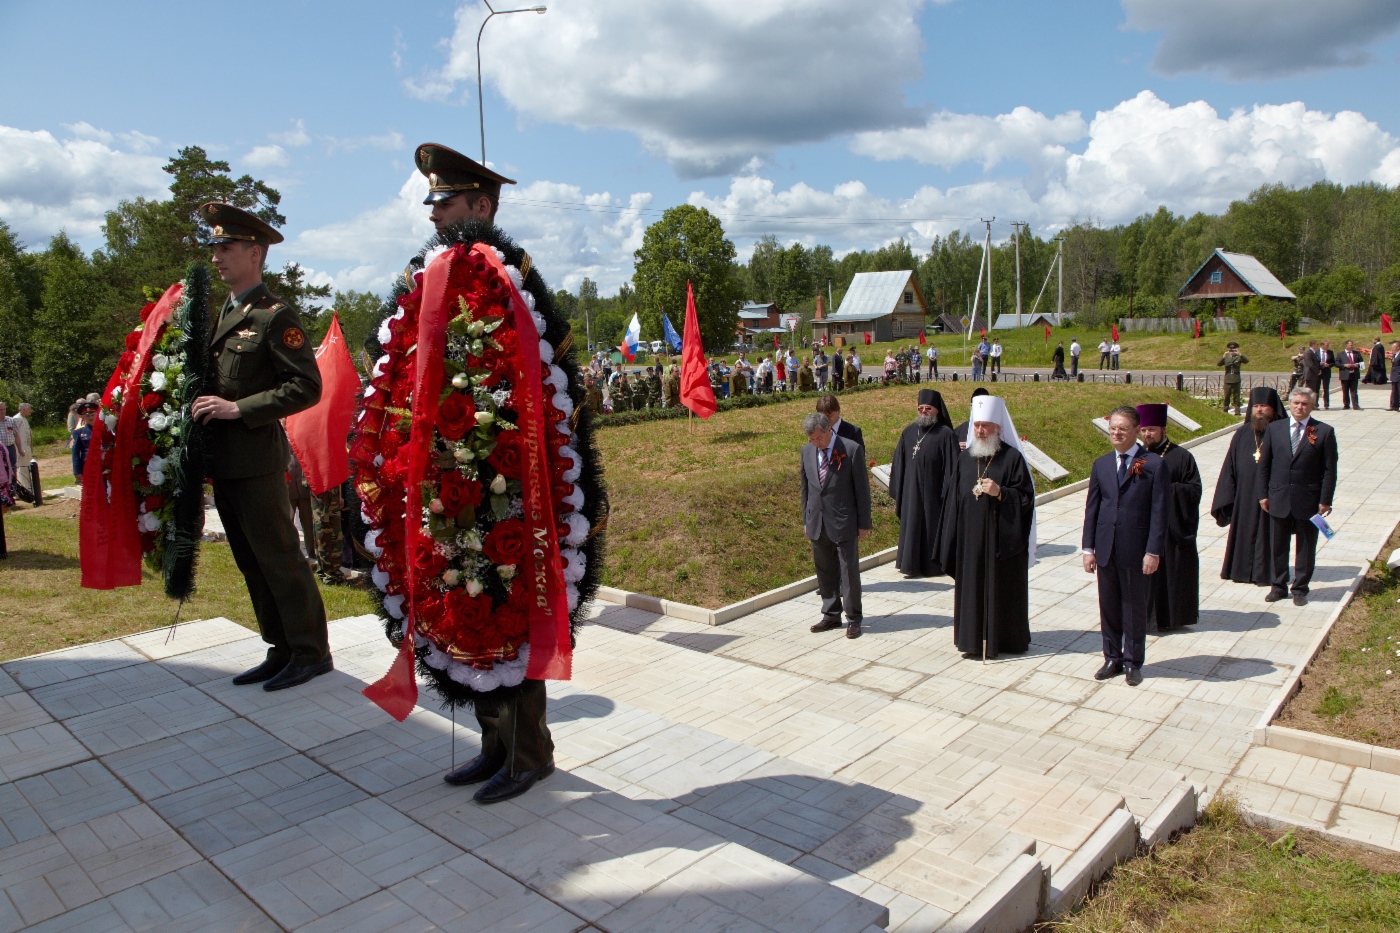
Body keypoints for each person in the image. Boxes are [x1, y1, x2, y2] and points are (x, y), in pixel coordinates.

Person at [191, 201, 331, 693]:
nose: (216, 257)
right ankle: (282, 648)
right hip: (226, 462)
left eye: (226, 247)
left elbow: (306, 387)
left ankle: (312, 652)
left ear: (255, 252)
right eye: (214, 247)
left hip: (257, 462)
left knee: (280, 558)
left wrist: (239, 409)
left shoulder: (274, 317)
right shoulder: (227, 313)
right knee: (251, 561)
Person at [939, 395, 1036, 659]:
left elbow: (1026, 498)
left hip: (1000, 542)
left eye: (986, 426)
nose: (980, 431)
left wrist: (1002, 493)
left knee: (1000, 590)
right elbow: (952, 501)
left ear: (998, 428)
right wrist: (952, 538)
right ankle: (971, 641)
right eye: (977, 425)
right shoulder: (966, 459)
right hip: (970, 541)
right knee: (971, 590)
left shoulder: (1013, 458)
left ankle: (1003, 639)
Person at [1082, 406, 1169, 687]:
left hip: (1136, 548)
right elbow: (1092, 509)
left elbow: (1159, 511)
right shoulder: (1102, 464)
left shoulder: (1153, 464)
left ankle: (1133, 662)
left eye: (1123, 429)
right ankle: (1112, 657)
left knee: (1133, 607)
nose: (1116, 433)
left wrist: (1153, 551)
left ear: (1135, 431)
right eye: (1113, 429)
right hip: (1106, 548)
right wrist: (1088, 549)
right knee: (1108, 606)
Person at [1258, 387, 1338, 607]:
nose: (1300, 407)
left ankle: (1300, 588)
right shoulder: (1274, 429)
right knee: (1278, 545)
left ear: (1311, 406)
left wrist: (1325, 500)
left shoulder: (1324, 431)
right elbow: (1264, 464)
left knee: (1306, 546)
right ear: (1290, 404)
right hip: (1279, 496)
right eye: (1296, 403)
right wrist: (1263, 494)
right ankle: (1278, 586)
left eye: (1304, 403)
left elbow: (1329, 470)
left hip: (1308, 498)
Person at [801, 411, 871, 639]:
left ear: (829, 430)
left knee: (848, 571)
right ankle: (831, 613)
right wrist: (806, 519)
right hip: (817, 522)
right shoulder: (806, 452)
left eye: (819, 438)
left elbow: (861, 489)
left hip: (843, 520)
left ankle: (854, 618)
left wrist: (863, 523)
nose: (816, 443)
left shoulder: (850, 450)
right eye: (812, 439)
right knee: (825, 570)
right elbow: (806, 490)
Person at [1211, 387, 1285, 587]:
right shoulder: (1242, 433)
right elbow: (1230, 466)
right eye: (1256, 406)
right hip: (1244, 495)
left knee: (1267, 535)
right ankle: (1239, 570)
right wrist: (1226, 495)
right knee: (1243, 531)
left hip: (1270, 495)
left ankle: (1265, 573)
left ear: (1273, 409)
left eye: (1264, 406)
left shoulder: (1281, 431)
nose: (1259, 410)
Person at [1136, 404, 1201, 631]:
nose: (1147, 434)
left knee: (1171, 575)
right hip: (1143, 528)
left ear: (1163, 429)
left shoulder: (1182, 457)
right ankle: (1145, 619)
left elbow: (1194, 491)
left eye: (1152, 429)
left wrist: (1167, 491)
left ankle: (1171, 619)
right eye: (1143, 430)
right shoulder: (1138, 458)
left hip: (1172, 529)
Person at [889, 389, 957, 578]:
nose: (924, 411)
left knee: (930, 529)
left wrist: (946, 496)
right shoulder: (909, 432)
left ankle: (932, 566)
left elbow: (952, 470)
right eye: (920, 408)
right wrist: (899, 490)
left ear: (937, 410)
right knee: (911, 526)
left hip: (934, 497)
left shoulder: (946, 435)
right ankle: (909, 565)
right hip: (910, 493)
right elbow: (899, 464)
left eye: (928, 408)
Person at [1218, 342, 1248, 415]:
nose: (1232, 350)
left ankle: (1237, 412)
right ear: (1228, 349)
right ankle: (1225, 411)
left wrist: (1240, 354)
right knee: (1226, 396)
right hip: (1228, 379)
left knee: (1236, 397)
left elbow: (1246, 361)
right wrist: (1223, 357)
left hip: (1236, 379)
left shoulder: (1238, 357)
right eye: (1231, 349)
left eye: (1234, 348)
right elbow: (1218, 364)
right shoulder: (1226, 357)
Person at [70, 401, 96, 483]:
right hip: (89, 466)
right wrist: (77, 471)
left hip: (105, 465)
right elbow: (75, 452)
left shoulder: (105, 428)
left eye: (92, 415)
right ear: (83, 417)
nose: (90, 418)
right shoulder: (79, 432)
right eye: (87, 416)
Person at [1336, 339, 1363, 410]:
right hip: (1345, 375)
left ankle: (1356, 405)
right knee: (1345, 391)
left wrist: (1358, 364)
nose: (1352, 346)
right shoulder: (1340, 354)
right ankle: (1346, 405)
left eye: (1352, 345)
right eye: (1351, 345)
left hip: (1354, 375)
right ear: (1346, 345)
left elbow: (1362, 363)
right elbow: (1336, 364)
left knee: (1354, 391)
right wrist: (1344, 365)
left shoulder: (1357, 353)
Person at [1318, 339, 1335, 409]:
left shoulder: (1330, 352)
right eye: (1326, 345)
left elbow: (1333, 362)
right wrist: (1320, 365)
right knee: (1316, 388)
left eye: (1328, 345)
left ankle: (1326, 403)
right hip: (1318, 372)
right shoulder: (1316, 352)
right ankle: (1316, 404)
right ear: (1322, 345)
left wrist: (1329, 365)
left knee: (1326, 388)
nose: (1328, 346)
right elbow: (1313, 362)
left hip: (1326, 372)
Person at [1389, 341, 1400, 412]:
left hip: (1399, 375)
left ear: (1398, 347)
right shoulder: (1394, 354)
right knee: (1394, 391)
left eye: (1393, 347)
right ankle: (1394, 406)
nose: (1392, 349)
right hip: (1394, 376)